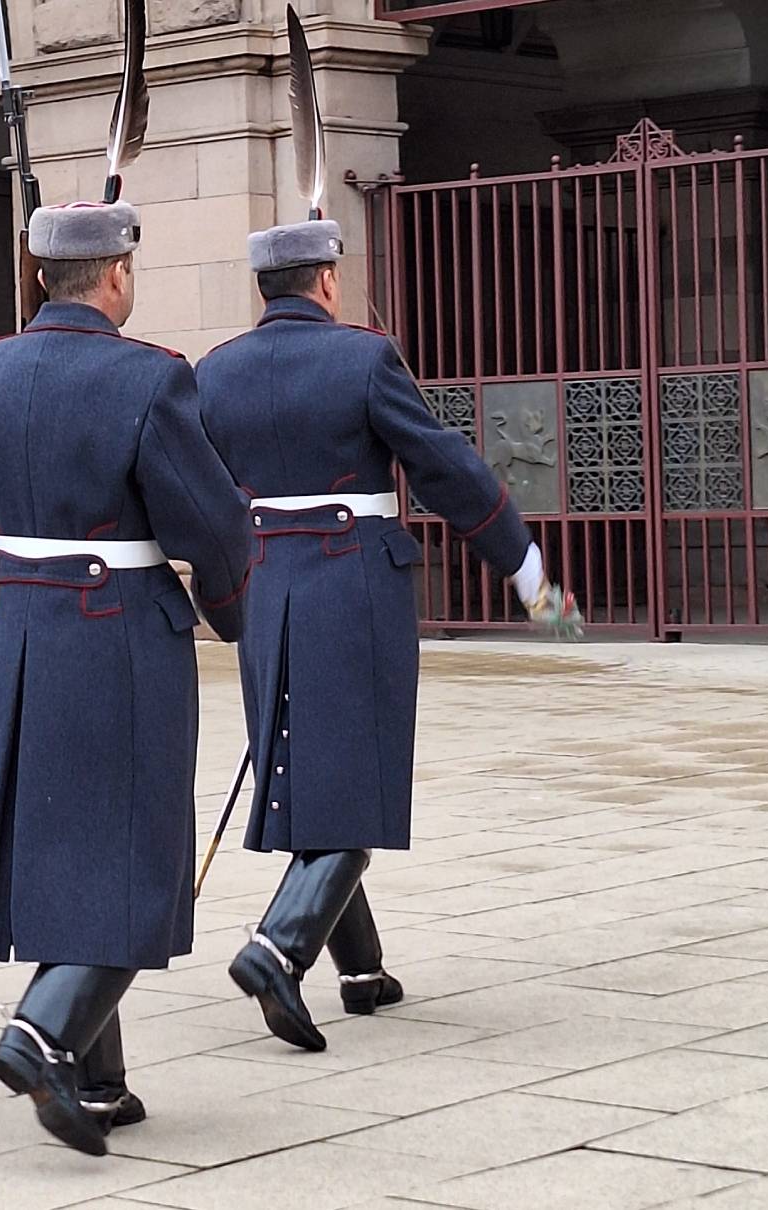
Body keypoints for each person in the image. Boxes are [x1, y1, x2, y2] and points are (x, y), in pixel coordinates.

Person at [0, 199, 251, 1155]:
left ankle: (99, 1080)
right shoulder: (150, 379)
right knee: (135, 844)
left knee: (57, 842)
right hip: (118, 633)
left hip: (13, 637)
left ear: (44, 273)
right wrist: (234, 616)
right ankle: (41, 1032)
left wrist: (5, 582)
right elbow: (212, 528)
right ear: (118, 274)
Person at [195, 218, 580, 1052]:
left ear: (266, 286)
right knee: (358, 775)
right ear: (326, 280)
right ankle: (276, 948)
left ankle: (361, 968)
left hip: (266, 587)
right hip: (351, 585)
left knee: (309, 770)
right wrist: (528, 575)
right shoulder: (363, 358)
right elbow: (444, 466)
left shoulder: (214, 372)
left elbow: (197, 494)